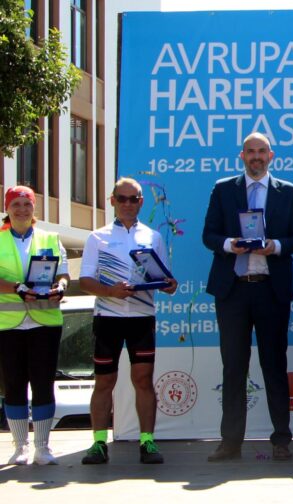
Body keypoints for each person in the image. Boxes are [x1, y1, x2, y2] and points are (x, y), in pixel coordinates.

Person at [202, 132, 293, 462]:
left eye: (262, 151)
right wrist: (228, 244)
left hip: (270, 289)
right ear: (242, 156)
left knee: (274, 365)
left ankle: (281, 440)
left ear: (271, 156)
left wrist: (275, 246)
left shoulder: (288, 192)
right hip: (233, 290)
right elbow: (208, 235)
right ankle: (230, 442)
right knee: (233, 367)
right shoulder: (223, 189)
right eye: (251, 151)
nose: (256, 157)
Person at [79, 178, 178, 465]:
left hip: (141, 318)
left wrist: (170, 285)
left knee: (143, 380)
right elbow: (84, 280)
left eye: (133, 199)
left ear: (141, 202)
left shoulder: (153, 237)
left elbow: (164, 279)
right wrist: (110, 291)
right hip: (108, 317)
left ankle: (147, 441)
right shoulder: (97, 237)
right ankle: (99, 443)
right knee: (104, 381)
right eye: (121, 198)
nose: (127, 204)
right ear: (112, 201)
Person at [0, 186, 69, 465]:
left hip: (45, 322)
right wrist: (16, 287)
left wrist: (61, 287)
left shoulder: (50, 238)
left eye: (26, 204)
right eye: (15, 204)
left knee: (43, 384)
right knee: (14, 384)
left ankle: (42, 447)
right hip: (8, 325)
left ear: (34, 208)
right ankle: (20, 447)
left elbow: (63, 273)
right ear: (7, 209)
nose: (21, 210)